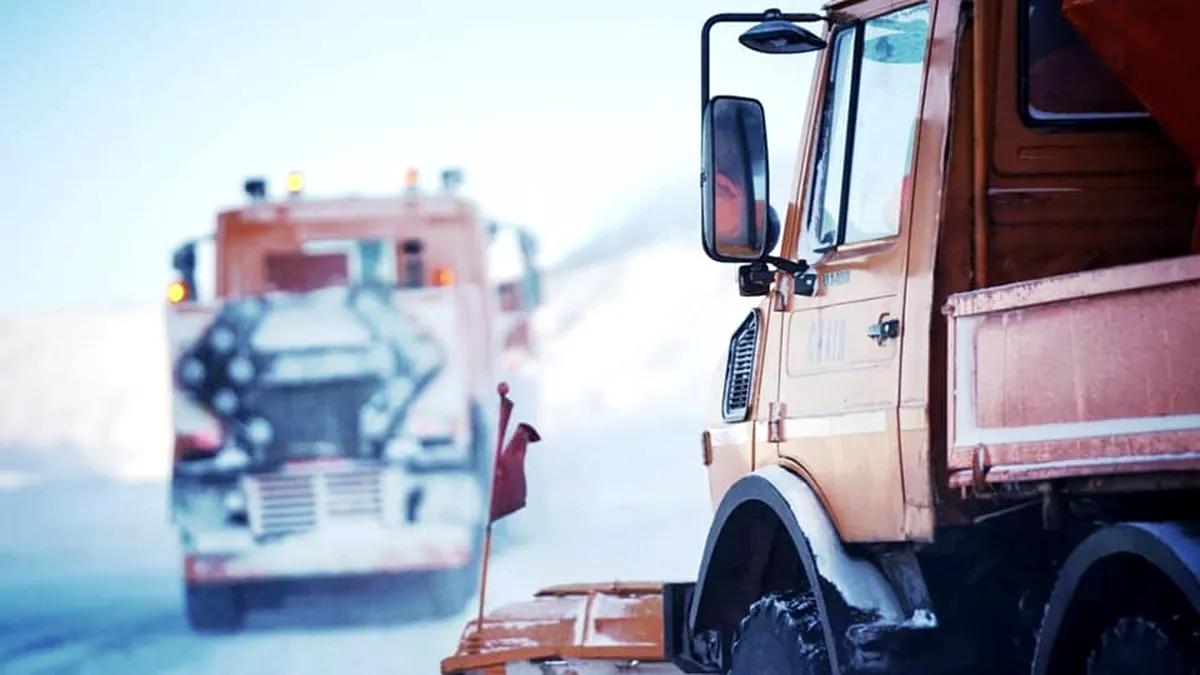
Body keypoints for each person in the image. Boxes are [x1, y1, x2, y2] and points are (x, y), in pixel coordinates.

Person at [710, 105, 766, 258]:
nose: (732, 147)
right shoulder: (713, 187)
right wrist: (764, 214)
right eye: (724, 138)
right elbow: (726, 226)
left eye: (734, 140)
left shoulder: (739, 186)